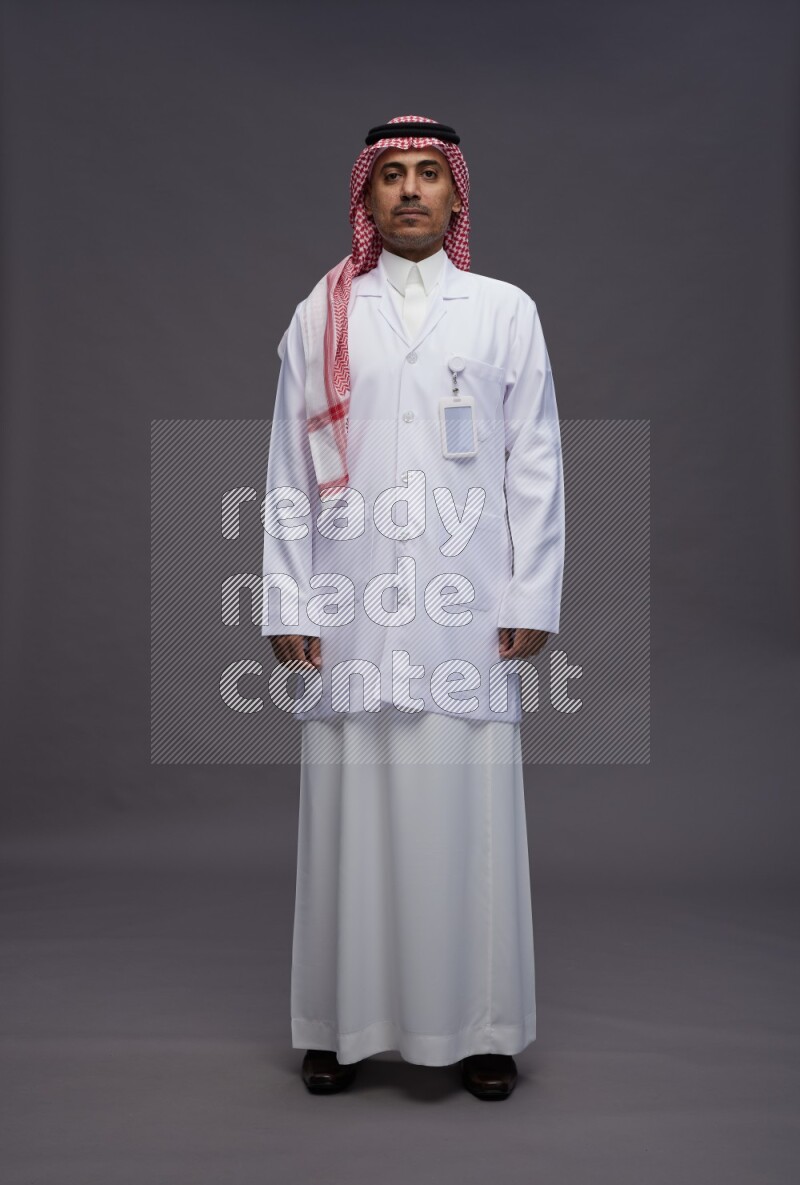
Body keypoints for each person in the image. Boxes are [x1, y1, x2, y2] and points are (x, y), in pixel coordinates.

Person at [261, 115, 565, 1100]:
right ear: (365, 196)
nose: (407, 191)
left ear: (454, 194)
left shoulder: (501, 311)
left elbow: (536, 465)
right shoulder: (322, 316)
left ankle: (481, 1030)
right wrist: (286, 594)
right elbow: (285, 472)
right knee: (349, 812)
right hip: (348, 602)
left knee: (465, 813)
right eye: (388, 175)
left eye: (426, 174)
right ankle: (338, 1025)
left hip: (464, 605)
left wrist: (531, 592)